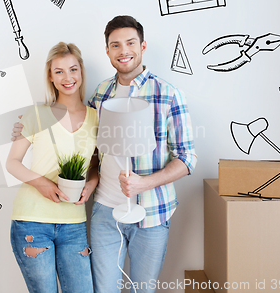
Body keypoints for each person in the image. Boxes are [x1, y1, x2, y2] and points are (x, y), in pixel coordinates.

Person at [11, 16, 196, 293]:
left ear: (143, 46)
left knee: (141, 290)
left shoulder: (168, 94)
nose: (124, 51)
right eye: (115, 45)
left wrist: (144, 183)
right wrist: (26, 125)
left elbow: (187, 158)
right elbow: (91, 151)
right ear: (107, 51)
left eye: (130, 43)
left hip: (152, 213)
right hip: (104, 213)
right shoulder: (101, 96)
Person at [6, 42, 99, 293]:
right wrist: (42, 183)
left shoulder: (96, 117)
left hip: (74, 224)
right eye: (59, 71)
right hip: (31, 223)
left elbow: (94, 165)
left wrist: (91, 184)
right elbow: (12, 163)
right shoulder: (36, 114)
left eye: (73, 69)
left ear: (81, 71)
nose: (67, 78)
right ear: (50, 76)